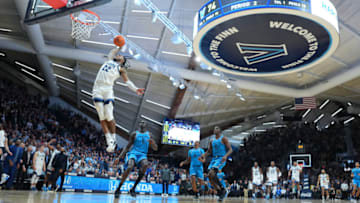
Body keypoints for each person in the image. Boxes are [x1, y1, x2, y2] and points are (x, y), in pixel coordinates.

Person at [93, 47, 145, 152]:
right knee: (101, 116)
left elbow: (128, 82)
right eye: (119, 54)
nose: (119, 55)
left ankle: (114, 139)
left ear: (123, 61)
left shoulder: (121, 69)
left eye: (121, 56)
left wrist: (136, 89)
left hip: (107, 89)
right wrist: (119, 46)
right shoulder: (109, 60)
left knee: (108, 115)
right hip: (97, 88)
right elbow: (112, 52)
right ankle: (109, 141)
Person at [114, 121, 157, 198]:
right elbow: (127, 147)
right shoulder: (134, 134)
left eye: (144, 122)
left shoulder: (149, 135)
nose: (142, 123)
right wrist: (119, 157)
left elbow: (155, 148)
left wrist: (153, 143)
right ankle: (118, 188)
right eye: (141, 122)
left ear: (146, 125)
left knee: (145, 165)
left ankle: (133, 188)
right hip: (133, 153)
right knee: (130, 166)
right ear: (139, 124)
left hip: (143, 155)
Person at [201, 126, 233, 201]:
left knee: (212, 173)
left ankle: (223, 189)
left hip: (221, 158)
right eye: (214, 128)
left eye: (217, 128)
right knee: (209, 176)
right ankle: (219, 191)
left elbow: (230, 150)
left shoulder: (223, 138)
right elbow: (209, 151)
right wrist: (203, 155)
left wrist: (225, 156)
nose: (215, 129)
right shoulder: (211, 141)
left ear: (220, 131)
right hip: (214, 159)